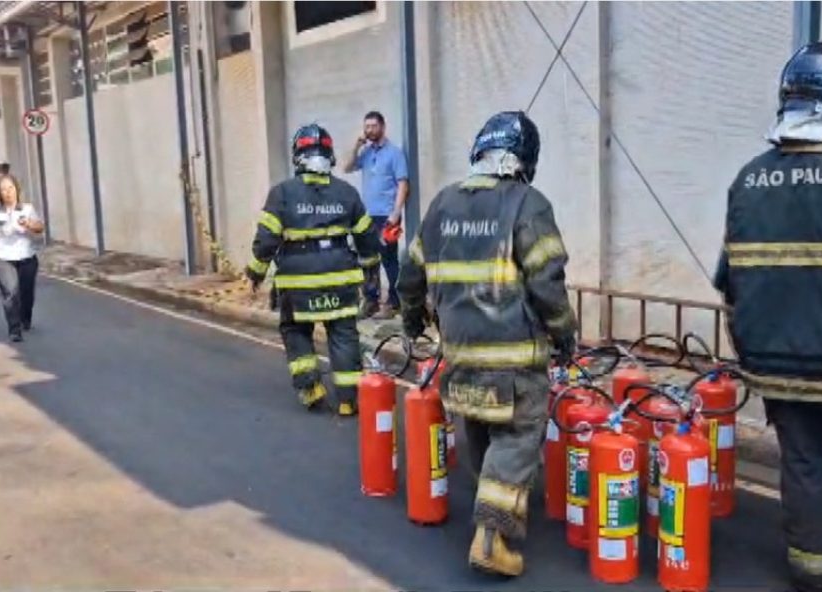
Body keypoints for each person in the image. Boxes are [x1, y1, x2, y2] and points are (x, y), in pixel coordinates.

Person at [714, 42, 822, 592]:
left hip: (778, 366)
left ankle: (815, 572)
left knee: (805, 465)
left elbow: (730, 280)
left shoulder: (748, 180)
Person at [397, 111, 577, 576]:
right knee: (516, 438)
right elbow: (547, 284)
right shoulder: (528, 204)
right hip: (515, 359)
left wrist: (412, 321)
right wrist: (564, 334)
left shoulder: (441, 205)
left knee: (478, 427)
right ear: (524, 160)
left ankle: (493, 505)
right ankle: (494, 537)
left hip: (459, 355)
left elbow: (411, 274)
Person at [245, 123, 381, 417]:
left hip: (298, 284)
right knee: (343, 335)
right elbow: (368, 238)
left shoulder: (281, 194)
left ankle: (311, 389)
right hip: (341, 281)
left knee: (296, 330)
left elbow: (266, 241)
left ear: (298, 156)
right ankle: (348, 400)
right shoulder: (347, 193)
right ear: (330, 156)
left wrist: (255, 274)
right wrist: (371, 272)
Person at [341, 110, 409, 320]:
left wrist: (396, 213)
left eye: (373, 126)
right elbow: (347, 167)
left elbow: (403, 184)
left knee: (389, 260)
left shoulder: (394, 153)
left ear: (382, 127)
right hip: (367, 216)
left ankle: (395, 303)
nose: (369, 130)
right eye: (367, 126)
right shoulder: (367, 153)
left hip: (387, 215)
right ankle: (370, 300)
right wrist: (356, 145)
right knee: (368, 261)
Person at [0, 174, 43, 341]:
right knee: (10, 292)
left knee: (26, 294)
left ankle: (25, 318)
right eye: (3, 190)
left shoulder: (27, 209)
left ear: (16, 189)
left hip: (27, 257)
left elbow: (40, 227)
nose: (8, 192)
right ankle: (14, 329)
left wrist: (29, 224)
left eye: (10, 188)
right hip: (3, 258)